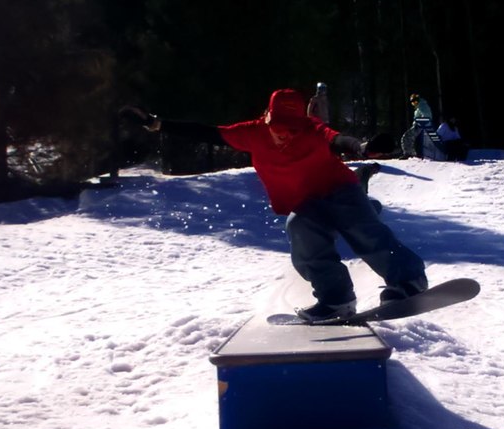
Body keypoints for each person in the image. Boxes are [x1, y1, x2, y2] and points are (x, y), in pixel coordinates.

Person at [120, 89, 427, 322]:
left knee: (363, 229)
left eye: (292, 130)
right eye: (279, 130)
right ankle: (337, 300)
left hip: (339, 189)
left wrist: (362, 146)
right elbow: (208, 132)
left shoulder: (312, 129)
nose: (284, 137)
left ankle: (409, 279)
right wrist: (156, 124)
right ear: (267, 119)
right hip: (307, 202)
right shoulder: (251, 133)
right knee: (300, 230)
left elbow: (337, 140)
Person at [401, 93, 434, 158]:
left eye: (415, 101)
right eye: (413, 103)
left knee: (406, 137)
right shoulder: (420, 106)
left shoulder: (422, 105)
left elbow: (426, 116)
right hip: (421, 125)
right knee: (410, 138)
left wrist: (419, 123)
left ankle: (409, 153)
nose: (414, 103)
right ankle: (411, 152)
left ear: (418, 100)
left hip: (421, 125)